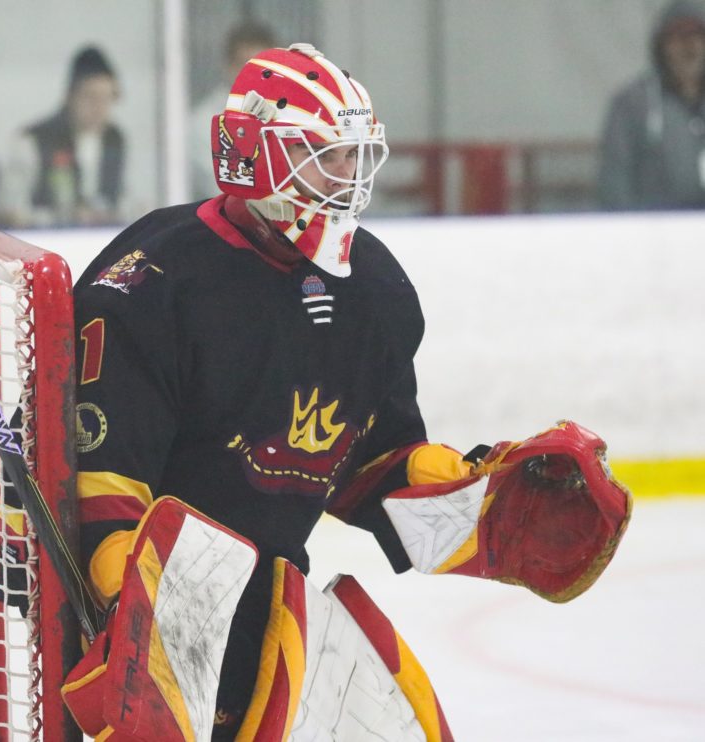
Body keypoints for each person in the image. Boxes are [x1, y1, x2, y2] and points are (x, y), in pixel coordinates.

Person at [58, 45, 631, 740]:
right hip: (153, 619)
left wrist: (469, 495)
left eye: (358, 156)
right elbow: (105, 481)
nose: (350, 178)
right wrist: (134, 611)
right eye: (327, 156)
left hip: (274, 612)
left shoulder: (376, 290)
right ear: (257, 154)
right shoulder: (154, 281)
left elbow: (372, 459)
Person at [0, 46, 127, 228]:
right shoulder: (34, 140)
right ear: (70, 96)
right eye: (91, 97)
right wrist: (62, 217)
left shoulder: (115, 140)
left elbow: (128, 201)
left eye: (107, 98)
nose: (99, 108)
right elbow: (7, 210)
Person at [598, 0, 705, 210]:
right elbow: (615, 180)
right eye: (678, 37)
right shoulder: (632, 104)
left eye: (697, 35)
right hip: (653, 231)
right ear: (661, 46)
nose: (688, 46)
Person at [187, 20, 275, 200]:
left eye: (263, 68)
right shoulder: (203, 121)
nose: (254, 76)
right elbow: (230, 188)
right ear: (227, 66)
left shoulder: (292, 114)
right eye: (244, 65)